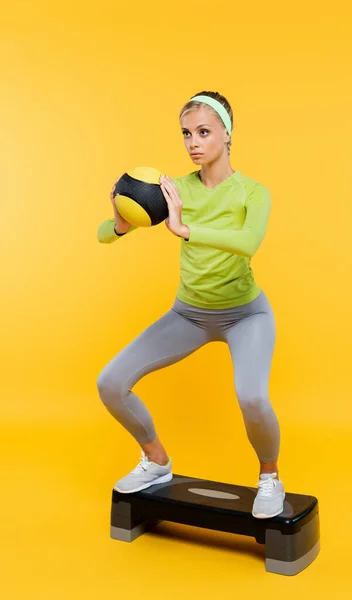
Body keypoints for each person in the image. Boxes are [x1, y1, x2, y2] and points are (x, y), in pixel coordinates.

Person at [96, 91, 285, 518]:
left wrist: (186, 230)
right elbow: (101, 235)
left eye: (203, 132)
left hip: (245, 315)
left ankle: (270, 477)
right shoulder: (175, 189)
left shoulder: (253, 193)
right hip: (189, 315)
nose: (193, 142)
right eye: (186, 133)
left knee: (252, 398)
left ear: (227, 134)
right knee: (110, 383)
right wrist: (122, 225)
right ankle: (158, 462)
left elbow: (248, 242)